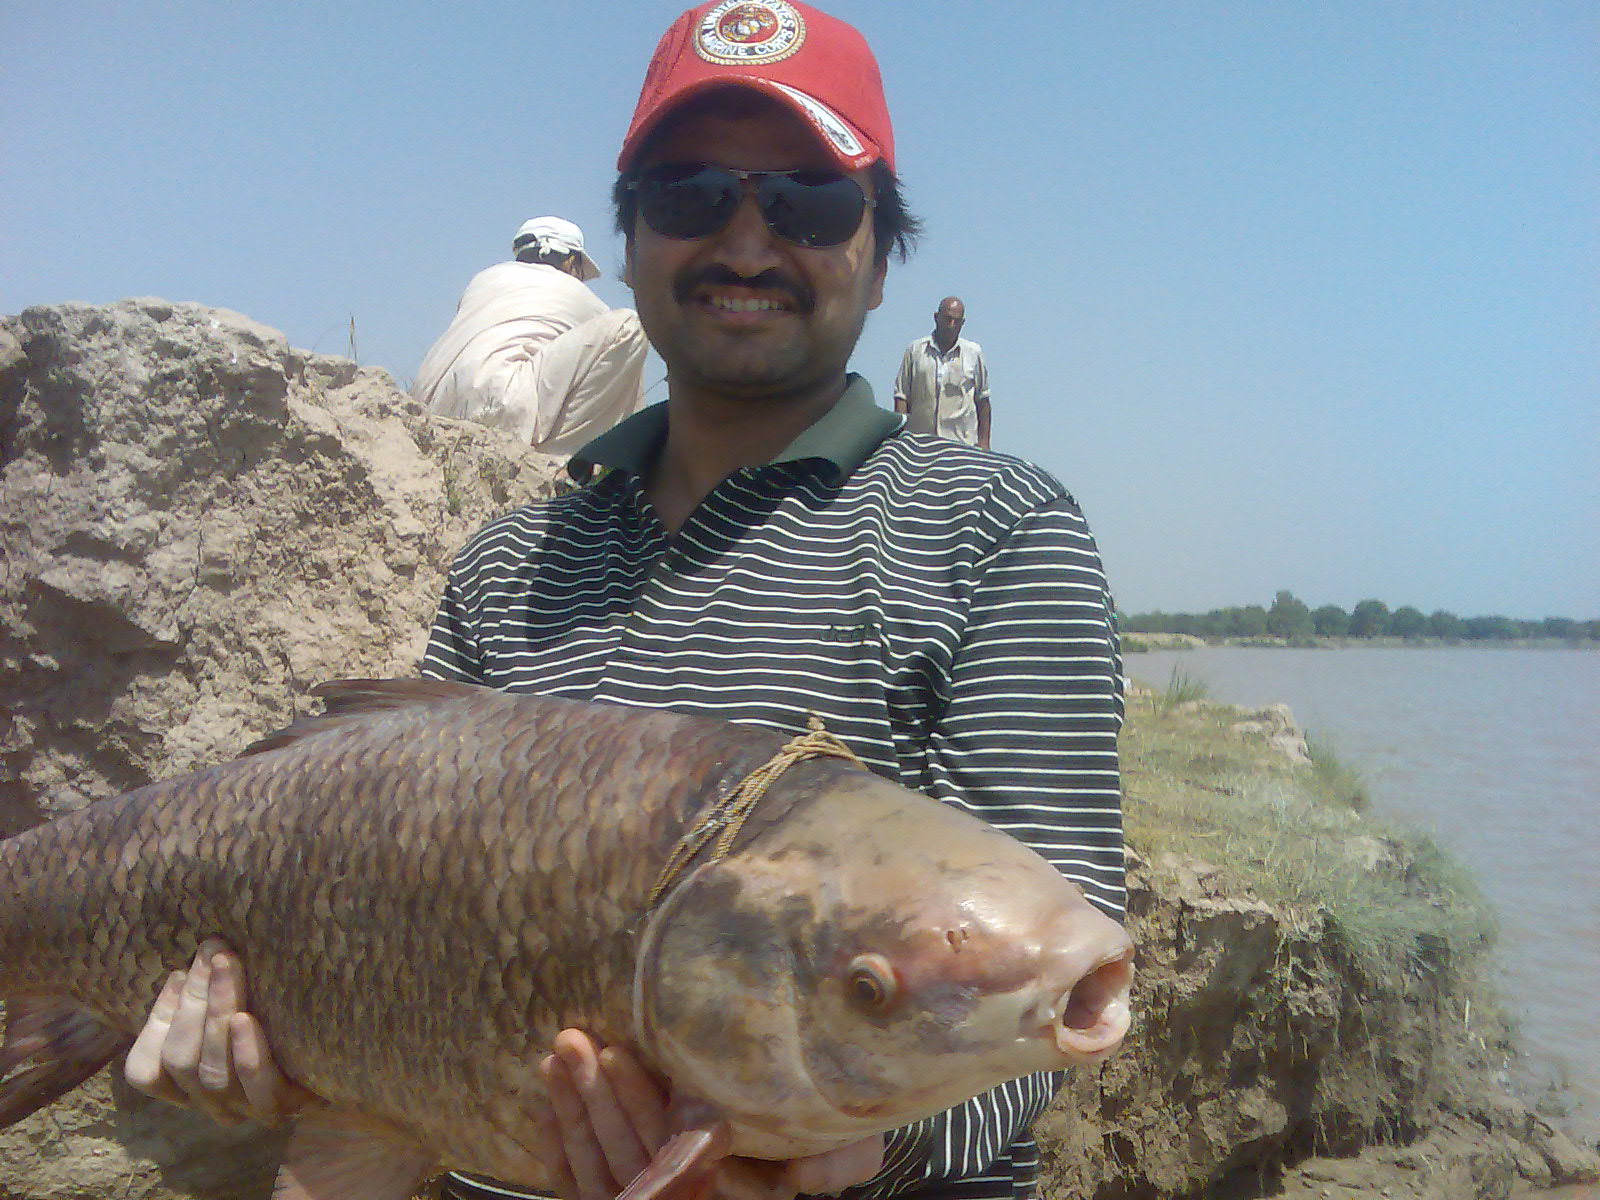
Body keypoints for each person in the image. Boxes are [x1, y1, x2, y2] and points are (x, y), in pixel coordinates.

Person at [124, 4, 1126, 1200]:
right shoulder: (508, 564)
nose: (746, 243)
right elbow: (385, 989)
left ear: (879, 245)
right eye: (691, 194)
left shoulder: (998, 529)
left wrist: (845, 1144)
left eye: (806, 199)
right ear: (633, 232)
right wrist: (277, 1059)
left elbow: (1058, 985)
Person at [413, 216, 648, 457]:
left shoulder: (483, 280)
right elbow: (622, 379)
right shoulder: (578, 294)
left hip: (430, 411)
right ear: (569, 261)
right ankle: (557, 464)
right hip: (499, 406)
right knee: (629, 329)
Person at [893, 296, 990, 449]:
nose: (951, 325)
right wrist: (900, 440)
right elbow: (901, 397)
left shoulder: (973, 353)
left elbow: (983, 401)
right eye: (947, 319)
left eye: (957, 321)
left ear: (962, 323)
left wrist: (984, 443)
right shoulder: (915, 350)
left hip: (960, 445)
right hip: (919, 444)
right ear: (936, 318)